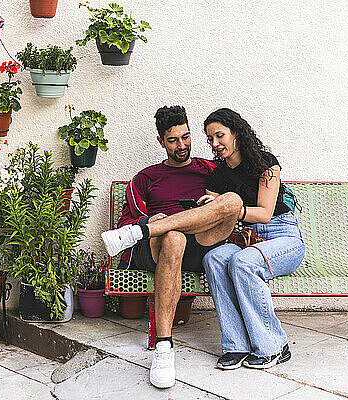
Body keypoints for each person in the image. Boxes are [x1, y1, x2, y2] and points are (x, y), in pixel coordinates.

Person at [101, 105, 243, 389]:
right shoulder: (146, 178)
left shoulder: (211, 169)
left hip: (201, 243)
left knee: (233, 202)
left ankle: (152, 228)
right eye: (173, 140)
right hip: (158, 248)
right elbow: (127, 218)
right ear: (160, 141)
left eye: (187, 137)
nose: (182, 145)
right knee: (174, 237)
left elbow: (244, 192)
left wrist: (212, 206)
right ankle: (164, 348)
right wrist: (148, 219)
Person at [200, 108, 305, 370]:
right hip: (247, 239)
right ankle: (236, 345)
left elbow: (266, 213)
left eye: (220, 135)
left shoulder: (265, 163)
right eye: (210, 138)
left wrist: (230, 207)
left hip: (283, 237)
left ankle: (273, 346)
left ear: (236, 133)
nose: (215, 143)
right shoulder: (217, 175)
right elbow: (215, 217)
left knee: (243, 264)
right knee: (214, 258)